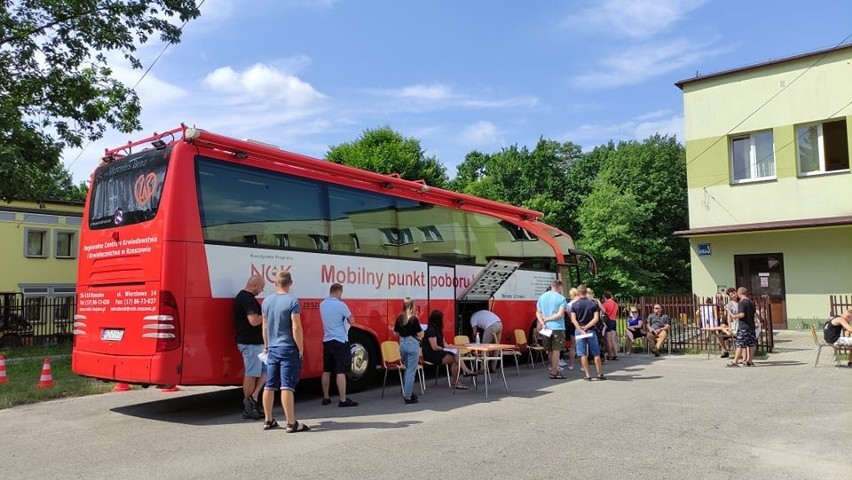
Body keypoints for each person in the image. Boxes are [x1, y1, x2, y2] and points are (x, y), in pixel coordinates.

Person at [261, 270, 310, 432]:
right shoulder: (292, 301)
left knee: (269, 385)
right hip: (288, 348)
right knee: (287, 386)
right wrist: (301, 348)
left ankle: (268, 420)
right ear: (290, 283)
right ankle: (291, 422)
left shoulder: (266, 301)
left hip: (272, 348)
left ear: (275, 284)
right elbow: (296, 327)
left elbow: (265, 326)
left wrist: (266, 345)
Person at [320, 283, 358, 407]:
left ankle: (326, 397)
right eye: (341, 293)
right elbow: (351, 320)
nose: (341, 295)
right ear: (338, 291)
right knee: (341, 371)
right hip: (340, 341)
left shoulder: (323, 304)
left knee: (326, 370)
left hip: (327, 340)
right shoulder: (341, 305)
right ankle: (342, 399)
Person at [233, 274, 266, 420]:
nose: (262, 289)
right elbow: (253, 321)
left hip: (252, 341)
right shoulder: (247, 299)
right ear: (254, 285)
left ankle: (253, 399)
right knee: (251, 373)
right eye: (261, 287)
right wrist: (267, 317)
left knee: (265, 370)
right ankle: (249, 405)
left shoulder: (242, 297)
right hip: (250, 342)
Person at [423, 310, 472, 389]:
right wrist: (445, 349)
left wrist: (451, 347)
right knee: (454, 359)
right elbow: (434, 347)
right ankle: (464, 372)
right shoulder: (431, 330)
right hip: (431, 354)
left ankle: (462, 375)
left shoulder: (438, 330)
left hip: (439, 352)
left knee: (456, 352)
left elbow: (444, 344)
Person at [569, 284, 605, 381]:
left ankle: (588, 375)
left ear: (578, 292)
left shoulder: (574, 305)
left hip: (579, 331)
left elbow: (573, 319)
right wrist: (587, 327)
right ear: (586, 292)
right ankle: (599, 374)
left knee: (582, 353)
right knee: (596, 353)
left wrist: (581, 329)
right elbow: (596, 319)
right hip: (591, 330)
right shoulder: (593, 304)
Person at [393, 297, 424, 404]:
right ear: (412, 307)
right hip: (412, 343)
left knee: (407, 369)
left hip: (402, 344)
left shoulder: (399, 318)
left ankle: (408, 392)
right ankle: (407, 396)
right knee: (411, 370)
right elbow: (421, 334)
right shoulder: (414, 319)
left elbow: (395, 333)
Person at [536, 279, 568, 379]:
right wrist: (548, 319)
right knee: (556, 350)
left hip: (546, 328)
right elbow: (560, 314)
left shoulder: (542, 297)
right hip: (557, 327)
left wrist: (542, 322)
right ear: (560, 287)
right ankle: (554, 372)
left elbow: (538, 313)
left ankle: (554, 369)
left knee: (549, 350)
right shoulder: (561, 298)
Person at [470, 299, 503, 371]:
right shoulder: (483, 312)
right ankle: (493, 367)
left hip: (491, 326)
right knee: (496, 346)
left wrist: (474, 341)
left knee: (484, 347)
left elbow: (474, 333)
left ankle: (483, 368)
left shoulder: (472, 318)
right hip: (499, 323)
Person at [728, 287, 757, 367]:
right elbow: (754, 315)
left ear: (739, 293)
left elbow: (742, 314)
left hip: (744, 327)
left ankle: (735, 361)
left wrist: (733, 316)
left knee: (740, 344)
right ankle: (749, 361)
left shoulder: (741, 303)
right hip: (752, 327)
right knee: (751, 344)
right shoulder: (752, 302)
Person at [601, 291, 620, 361]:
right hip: (614, 321)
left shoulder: (605, 304)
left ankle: (610, 354)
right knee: (613, 339)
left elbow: (603, 312)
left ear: (605, 297)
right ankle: (616, 354)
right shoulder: (615, 304)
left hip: (608, 321)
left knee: (608, 339)